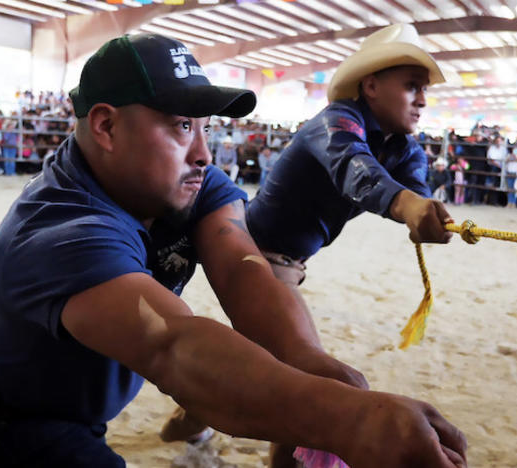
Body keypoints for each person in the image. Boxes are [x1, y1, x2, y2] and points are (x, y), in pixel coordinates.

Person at [0, 33, 468, 468]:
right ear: (107, 128)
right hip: (16, 422)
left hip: (76, 411)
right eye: (181, 126)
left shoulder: (184, 183)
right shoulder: (63, 234)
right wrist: (353, 419)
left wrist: (304, 355)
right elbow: (170, 344)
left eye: (205, 128)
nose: (204, 154)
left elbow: (244, 271)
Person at [161, 23, 461, 467]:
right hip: (255, 254)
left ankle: (193, 415)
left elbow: (414, 187)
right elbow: (353, 167)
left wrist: (422, 210)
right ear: (372, 85)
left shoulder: (405, 149)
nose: (422, 100)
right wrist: (407, 205)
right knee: (309, 372)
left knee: (276, 364)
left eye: (423, 90)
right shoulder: (335, 122)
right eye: (413, 87)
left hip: (283, 261)